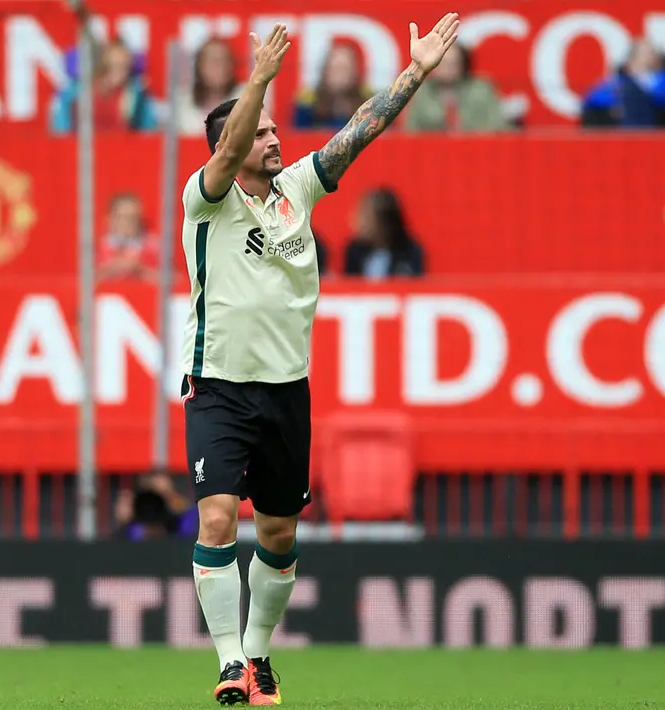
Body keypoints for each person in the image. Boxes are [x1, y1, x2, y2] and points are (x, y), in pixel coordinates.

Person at [178, 15, 459, 706]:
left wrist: (414, 71)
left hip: (285, 392)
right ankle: (225, 664)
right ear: (230, 144)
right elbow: (228, 150)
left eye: (276, 130)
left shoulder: (297, 190)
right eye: (262, 131)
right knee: (217, 520)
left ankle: (259, 653)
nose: (275, 139)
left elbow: (360, 128)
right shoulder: (205, 200)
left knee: (276, 532)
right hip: (216, 387)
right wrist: (259, 78)